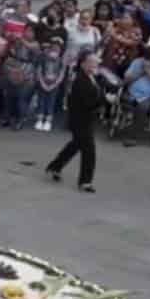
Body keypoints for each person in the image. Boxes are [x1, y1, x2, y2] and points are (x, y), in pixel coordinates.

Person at [46, 50, 105, 192]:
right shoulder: (80, 80)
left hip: (86, 119)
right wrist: (105, 100)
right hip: (79, 120)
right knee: (89, 151)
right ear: (84, 63)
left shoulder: (91, 77)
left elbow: (95, 94)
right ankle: (85, 182)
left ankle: (55, 166)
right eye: (92, 61)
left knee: (75, 145)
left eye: (96, 61)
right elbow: (88, 102)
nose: (95, 64)